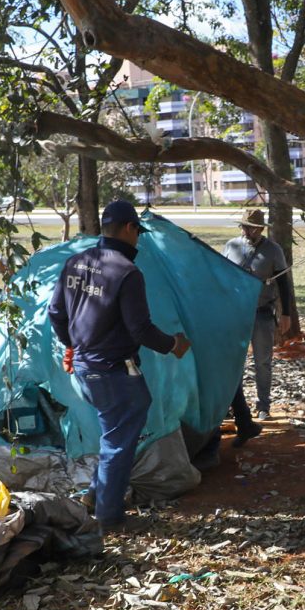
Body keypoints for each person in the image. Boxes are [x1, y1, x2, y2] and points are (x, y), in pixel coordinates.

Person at [47, 200, 190, 535]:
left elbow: (56, 313)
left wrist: (74, 345)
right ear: (128, 228)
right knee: (119, 440)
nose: (138, 238)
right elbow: (140, 328)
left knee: (115, 433)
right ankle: (108, 517)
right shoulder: (126, 271)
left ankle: (96, 496)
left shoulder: (76, 262)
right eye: (137, 231)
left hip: (85, 368)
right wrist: (174, 345)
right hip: (112, 370)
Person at [222, 208, 293, 427]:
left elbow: (283, 282)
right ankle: (234, 405)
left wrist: (286, 313)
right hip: (235, 314)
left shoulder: (273, 250)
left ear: (260, 228)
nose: (245, 230)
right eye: (243, 226)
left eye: (250, 227)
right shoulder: (231, 246)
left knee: (262, 362)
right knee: (234, 363)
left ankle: (263, 405)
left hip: (262, 313)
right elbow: (222, 276)